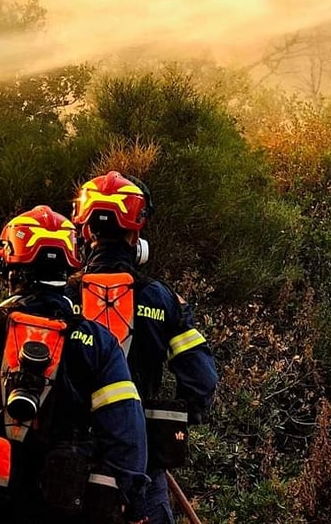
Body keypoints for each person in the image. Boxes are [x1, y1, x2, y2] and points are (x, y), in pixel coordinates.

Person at [0, 205, 149, 524]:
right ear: (70, 264)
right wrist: (131, 508)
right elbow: (127, 440)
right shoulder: (98, 344)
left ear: (7, 261)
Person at [71, 171, 218, 524]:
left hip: (66, 468)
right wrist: (161, 429)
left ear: (85, 231)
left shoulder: (60, 300)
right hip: (141, 468)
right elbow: (202, 382)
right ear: (136, 233)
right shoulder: (161, 299)